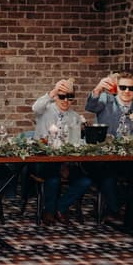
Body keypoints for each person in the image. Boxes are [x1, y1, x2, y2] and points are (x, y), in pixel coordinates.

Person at [85, 71, 133, 222]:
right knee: (108, 180)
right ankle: (116, 209)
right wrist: (97, 90)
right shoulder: (106, 100)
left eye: (131, 88)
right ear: (118, 87)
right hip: (104, 159)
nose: (127, 91)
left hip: (127, 160)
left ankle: (111, 206)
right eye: (123, 87)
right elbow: (90, 106)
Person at [31, 79, 92, 225]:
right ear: (56, 96)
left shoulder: (75, 117)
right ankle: (49, 211)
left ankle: (60, 207)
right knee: (53, 179)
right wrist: (53, 92)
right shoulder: (45, 109)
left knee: (85, 181)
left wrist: (67, 163)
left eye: (69, 97)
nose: (65, 100)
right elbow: (35, 107)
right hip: (42, 160)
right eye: (62, 96)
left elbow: (76, 143)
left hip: (66, 162)